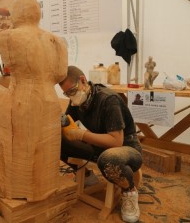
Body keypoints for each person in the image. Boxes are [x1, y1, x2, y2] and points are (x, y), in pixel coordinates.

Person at [59, 66, 143, 223]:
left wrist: (82, 134)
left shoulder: (108, 100)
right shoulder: (78, 101)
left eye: (71, 91)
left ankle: (129, 191)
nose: (71, 97)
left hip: (125, 147)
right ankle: (88, 177)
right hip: (101, 147)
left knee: (109, 159)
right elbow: (67, 121)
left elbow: (116, 141)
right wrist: (59, 123)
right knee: (57, 140)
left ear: (83, 80)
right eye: (66, 94)